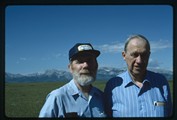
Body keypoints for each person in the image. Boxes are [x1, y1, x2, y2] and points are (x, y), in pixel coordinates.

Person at [104, 34, 172, 117]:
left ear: (149, 55)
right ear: (124, 55)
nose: (139, 60)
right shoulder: (112, 85)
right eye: (135, 54)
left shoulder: (161, 82)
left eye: (144, 55)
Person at [39, 43, 106, 117]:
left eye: (90, 60)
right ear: (70, 68)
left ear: (96, 66)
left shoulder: (102, 97)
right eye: (80, 61)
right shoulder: (57, 97)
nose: (86, 65)